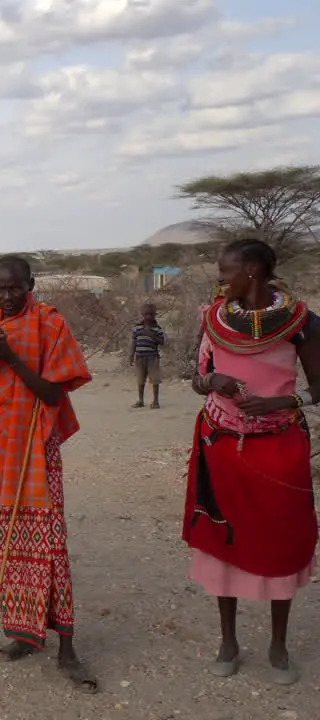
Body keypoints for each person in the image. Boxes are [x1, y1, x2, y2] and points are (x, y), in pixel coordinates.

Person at [0, 255, 97, 694]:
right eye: (0, 288)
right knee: (10, 548)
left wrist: (11, 357)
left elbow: (54, 391)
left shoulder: (50, 324)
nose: (8, 296)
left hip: (35, 449)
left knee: (50, 547)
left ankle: (67, 646)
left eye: (16, 287)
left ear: (31, 283)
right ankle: (24, 633)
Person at [183, 239, 318, 686]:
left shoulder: (302, 324)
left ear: (254, 271)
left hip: (280, 448)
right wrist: (212, 381)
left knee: (282, 541)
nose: (221, 280)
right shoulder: (213, 320)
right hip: (221, 444)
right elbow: (197, 379)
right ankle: (229, 641)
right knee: (225, 540)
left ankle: (278, 645)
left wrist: (281, 400)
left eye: (227, 272)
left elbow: (319, 390)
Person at [130, 303, 165, 409]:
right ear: (142, 315)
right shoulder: (137, 328)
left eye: (151, 314)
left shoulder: (157, 329)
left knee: (155, 380)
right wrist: (131, 354)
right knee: (140, 380)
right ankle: (140, 400)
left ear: (155, 315)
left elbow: (162, 342)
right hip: (139, 357)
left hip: (152, 357)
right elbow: (134, 342)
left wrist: (152, 335)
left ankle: (156, 401)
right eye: (146, 314)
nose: (148, 317)